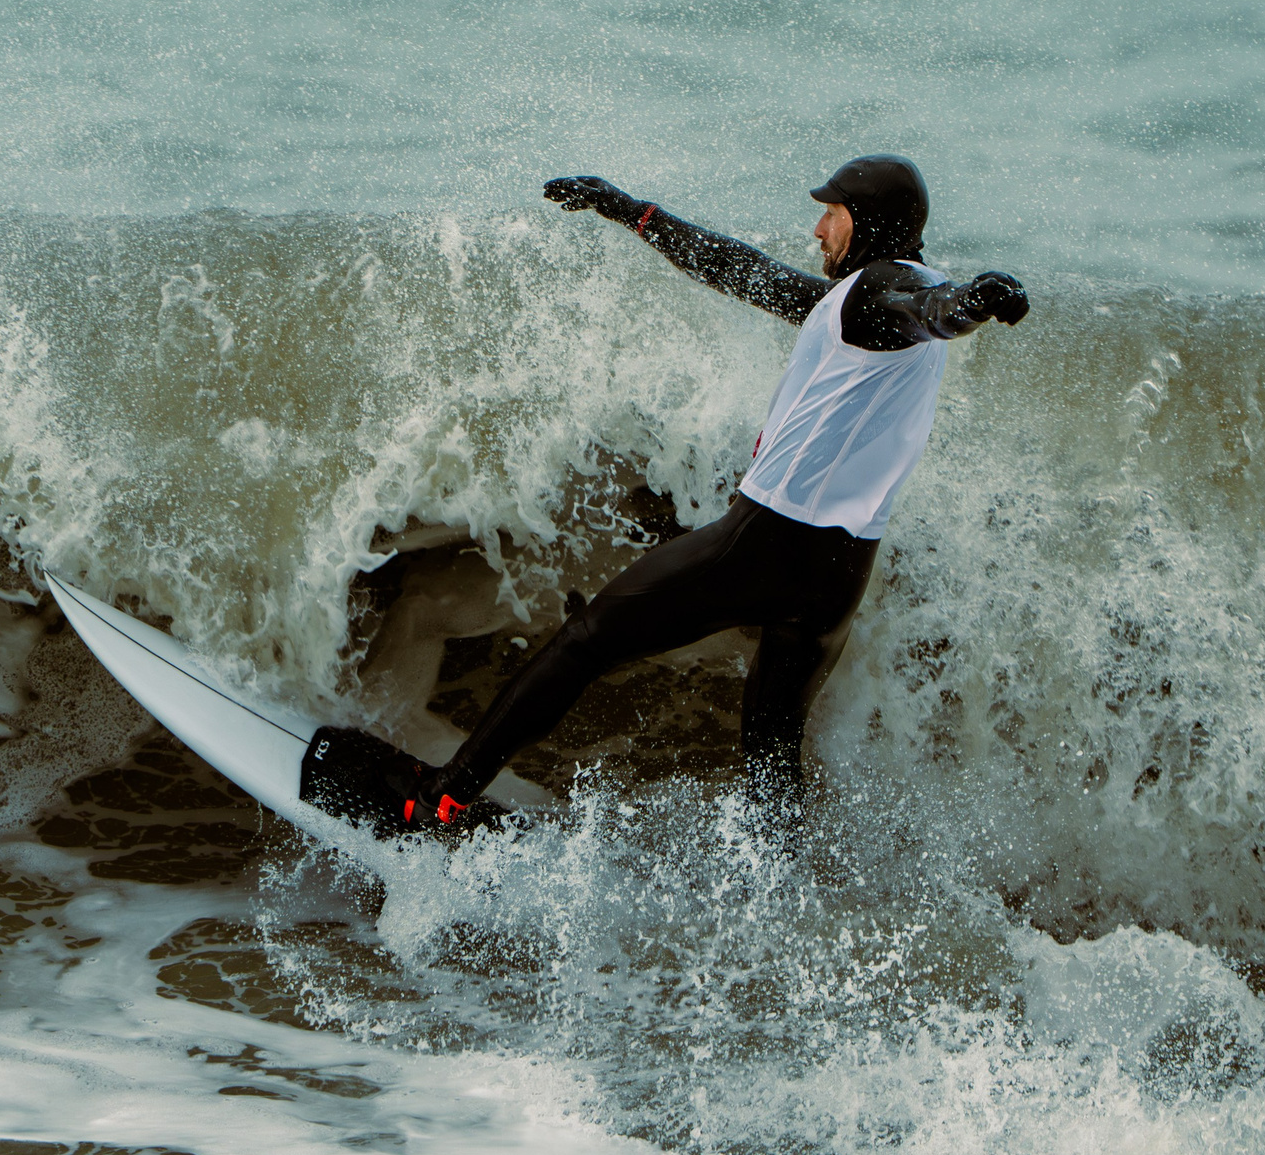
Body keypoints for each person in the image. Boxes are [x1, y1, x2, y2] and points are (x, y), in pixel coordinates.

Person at [403, 154, 1028, 829]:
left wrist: (967, 306)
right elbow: (743, 271)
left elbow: (926, 312)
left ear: (869, 225)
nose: (818, 229)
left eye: (832, 215)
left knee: (586, 640)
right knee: (771, 744)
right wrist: (634, 212)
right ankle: (781, 882)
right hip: (842, 570)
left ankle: (444, 792)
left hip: (771, 541)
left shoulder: (884, 292)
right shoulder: (852, 302)